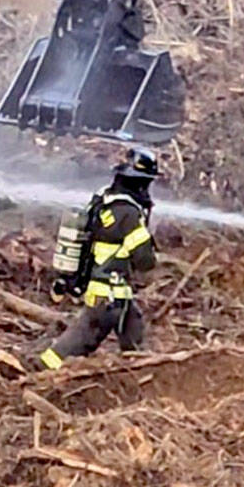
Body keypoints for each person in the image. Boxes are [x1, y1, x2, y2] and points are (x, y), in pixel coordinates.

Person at [41, 149, 157, 369]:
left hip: (115, 295)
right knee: (74, 345)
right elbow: (145, 261)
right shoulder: (129, 214)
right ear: (141, 182)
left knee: (136, 343)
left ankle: (140, 378)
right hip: (107, 298)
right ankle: (38, 373)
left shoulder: (104, 200)